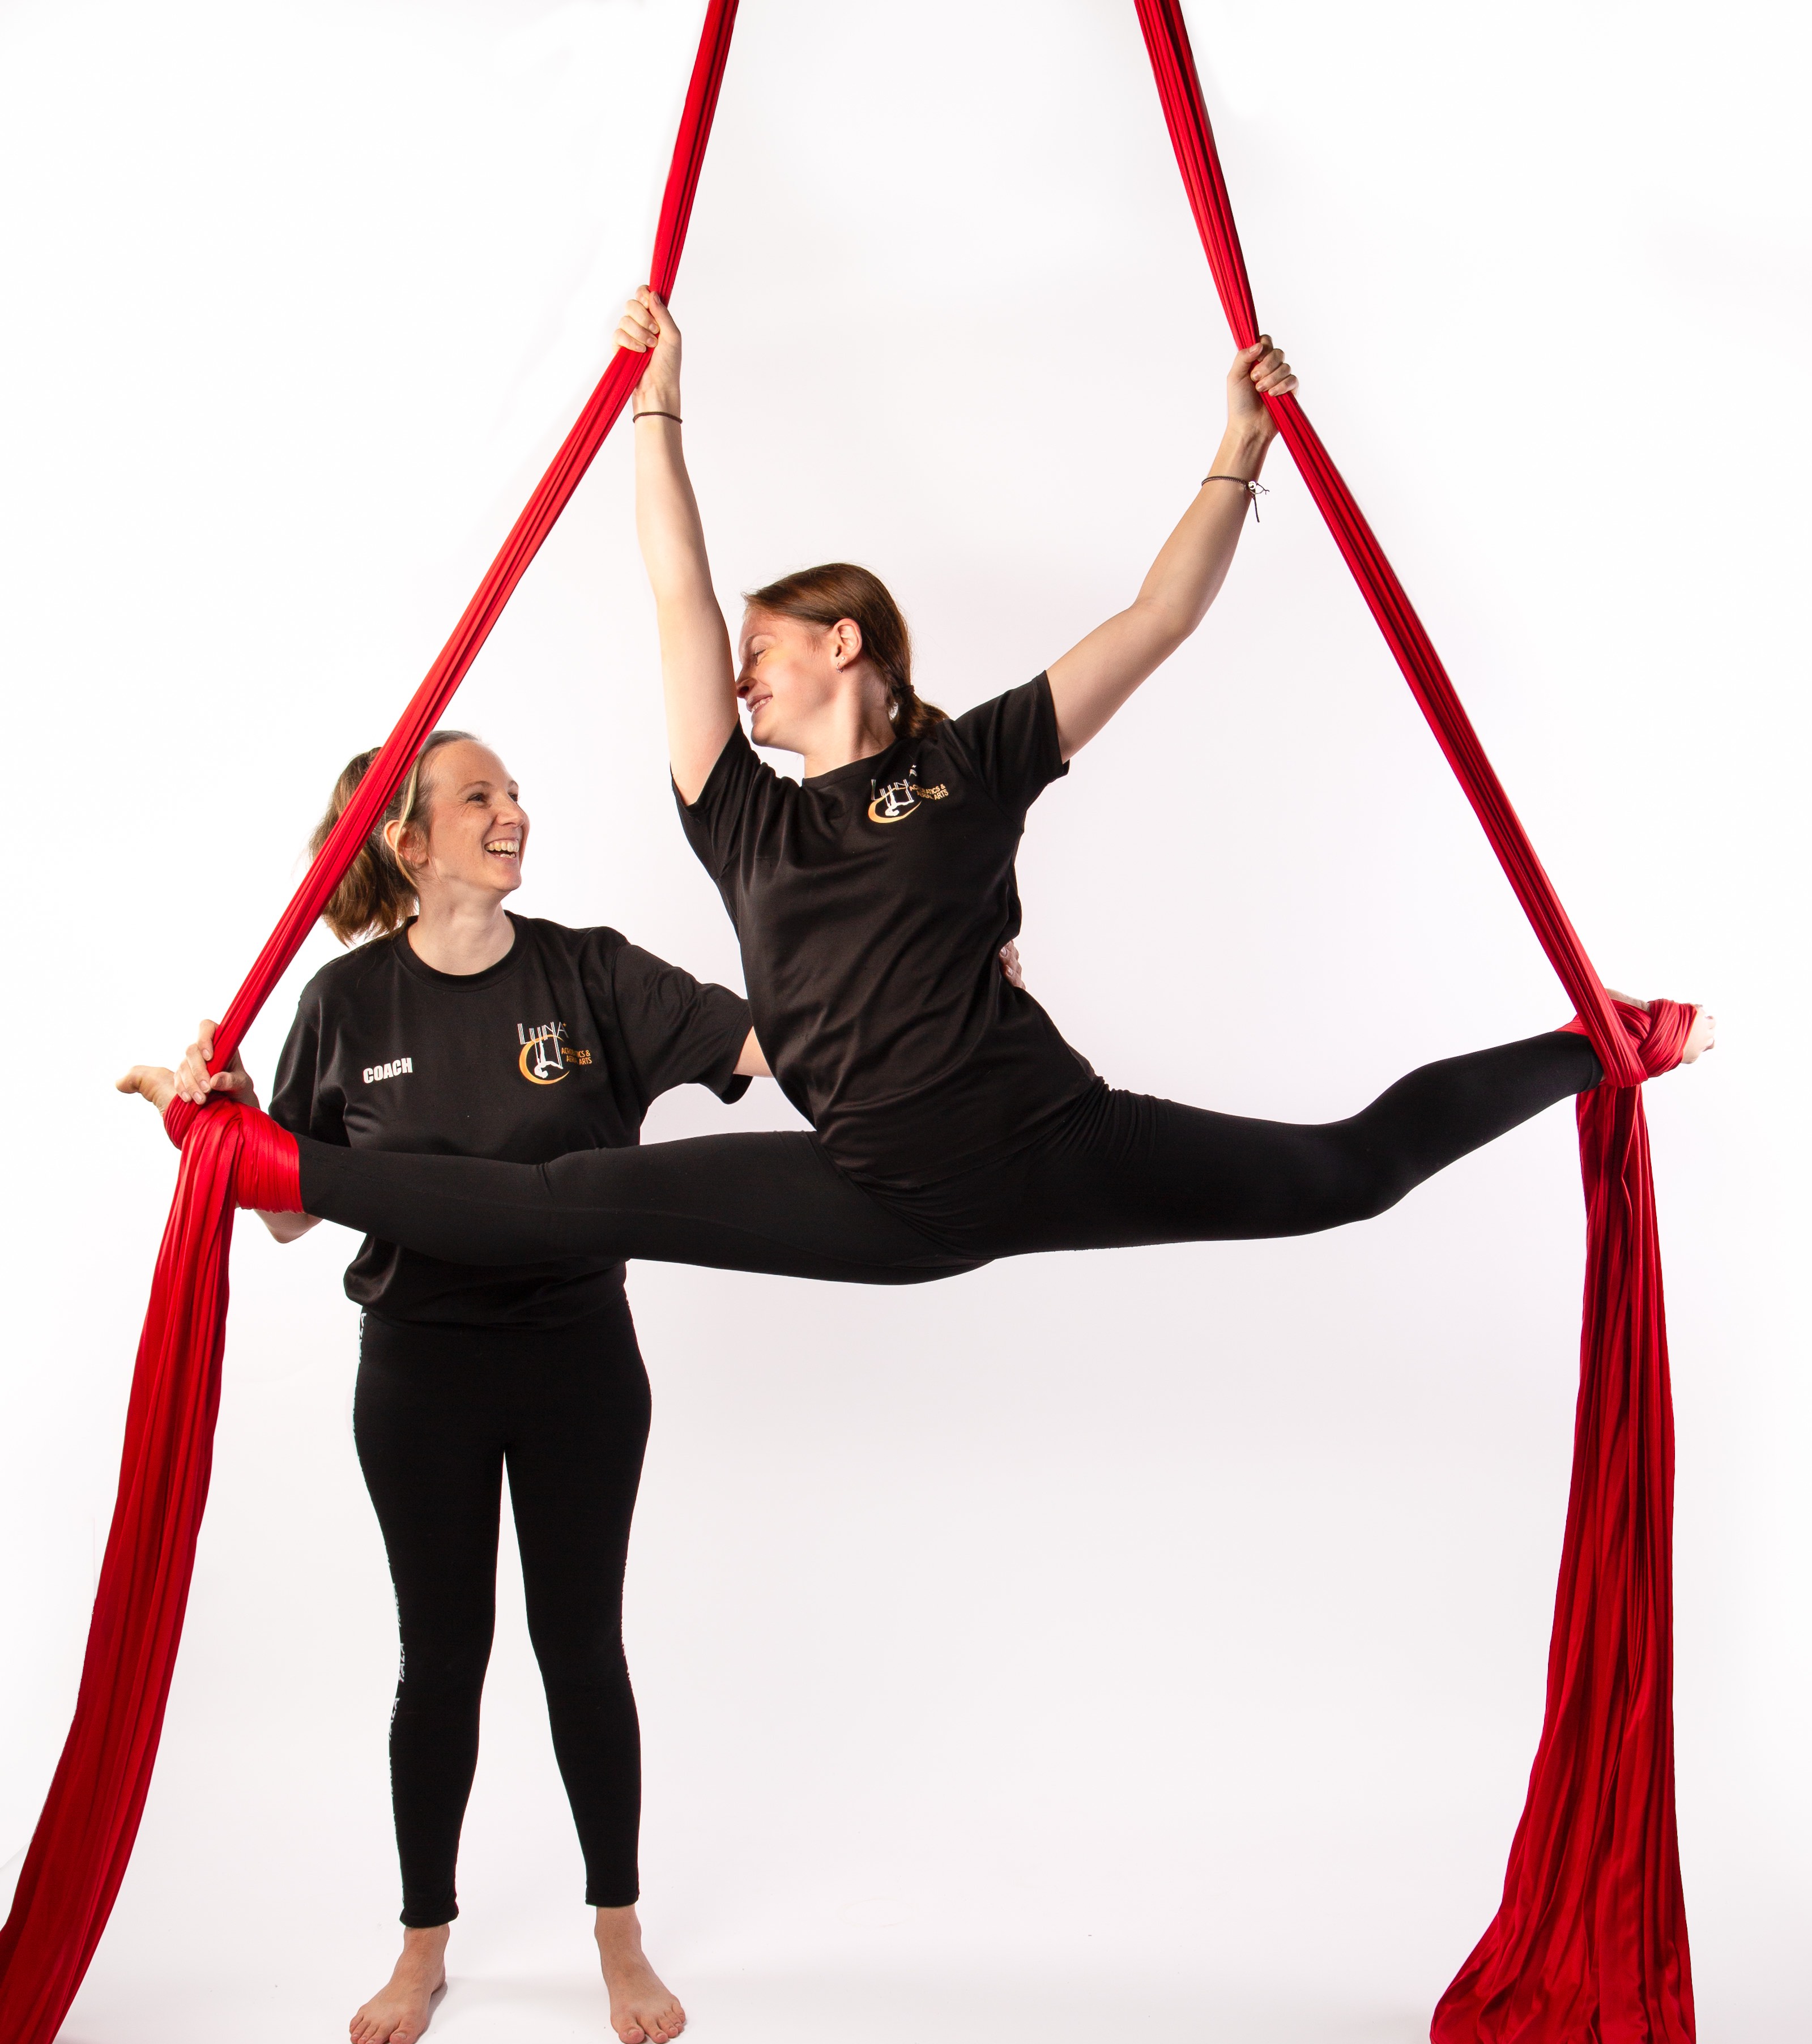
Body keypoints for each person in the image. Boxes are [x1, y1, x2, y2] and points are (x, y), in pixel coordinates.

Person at [131, 304, 1713, 1430]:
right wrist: (657, 409)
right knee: (560, 1199)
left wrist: (1238, 452)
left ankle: (1600, 1045)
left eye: (766, 652)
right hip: (875, 1195)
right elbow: (676, 592)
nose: (740, 678)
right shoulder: (739, 815)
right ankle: (269, 1162)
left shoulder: (972, 763)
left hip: (1052, 1141)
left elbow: (1155, 619)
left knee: (1345, 1173)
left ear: (845, 644)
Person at [122, 731, 769, 2044]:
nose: (513, 811)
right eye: (480, 796)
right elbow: (290, 1211)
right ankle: (424, 1940)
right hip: (420, 1373)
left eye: (515, 792)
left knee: (581, 1647)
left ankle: (617, 1926)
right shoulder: (348, 1004)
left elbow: (766, 1045)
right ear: (408, 843)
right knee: (442, 1659)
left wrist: (929, 991)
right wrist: (220, 1120)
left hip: (581, 1360)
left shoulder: (589, 972)